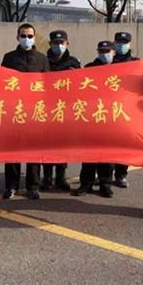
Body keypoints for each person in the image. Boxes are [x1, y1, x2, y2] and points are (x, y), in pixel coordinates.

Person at [1, 23, 50, 200]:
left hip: (35, 111)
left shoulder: (42, 59)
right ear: (17, 37)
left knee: (34, 151)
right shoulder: (9, 58)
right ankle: (11, 185)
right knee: (12, 151)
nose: (26, 39)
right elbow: (2, 82)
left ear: (34, 38)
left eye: (30, 36)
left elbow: (48, 85)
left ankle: (33, 186)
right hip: (15, 111)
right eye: (23, 36)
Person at [71, 41, 116, 198]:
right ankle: (86, 184)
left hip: (110, 118)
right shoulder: (89, 68)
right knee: (89, 154)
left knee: (107, 155)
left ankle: (105, 185)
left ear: (114, 52)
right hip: (91, 116)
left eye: (107, 51)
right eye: (101, 51)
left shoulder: (121, 69)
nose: (104, 54)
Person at [41, 29, 81, 192]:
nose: (58, 45)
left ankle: (60, 177)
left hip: (65, 110)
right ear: (50, 44)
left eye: (61, 42)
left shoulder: (73, 63)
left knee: (62, 145)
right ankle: (47, 178)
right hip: (46, 108)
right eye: (55, 43)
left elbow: (81, 84)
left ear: (67, 43)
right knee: (46, 145)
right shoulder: (42, 61)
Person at [111, 31, 140, 189]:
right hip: (109, 109)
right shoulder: (109, 61)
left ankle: (121, 175)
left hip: (127, 110)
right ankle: (105, 176)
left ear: (129, 44)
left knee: (125, 145)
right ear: (114, 43)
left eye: (124, 42)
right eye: (119, 42)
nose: (121, 45)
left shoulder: (136, 63)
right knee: (110, 145)